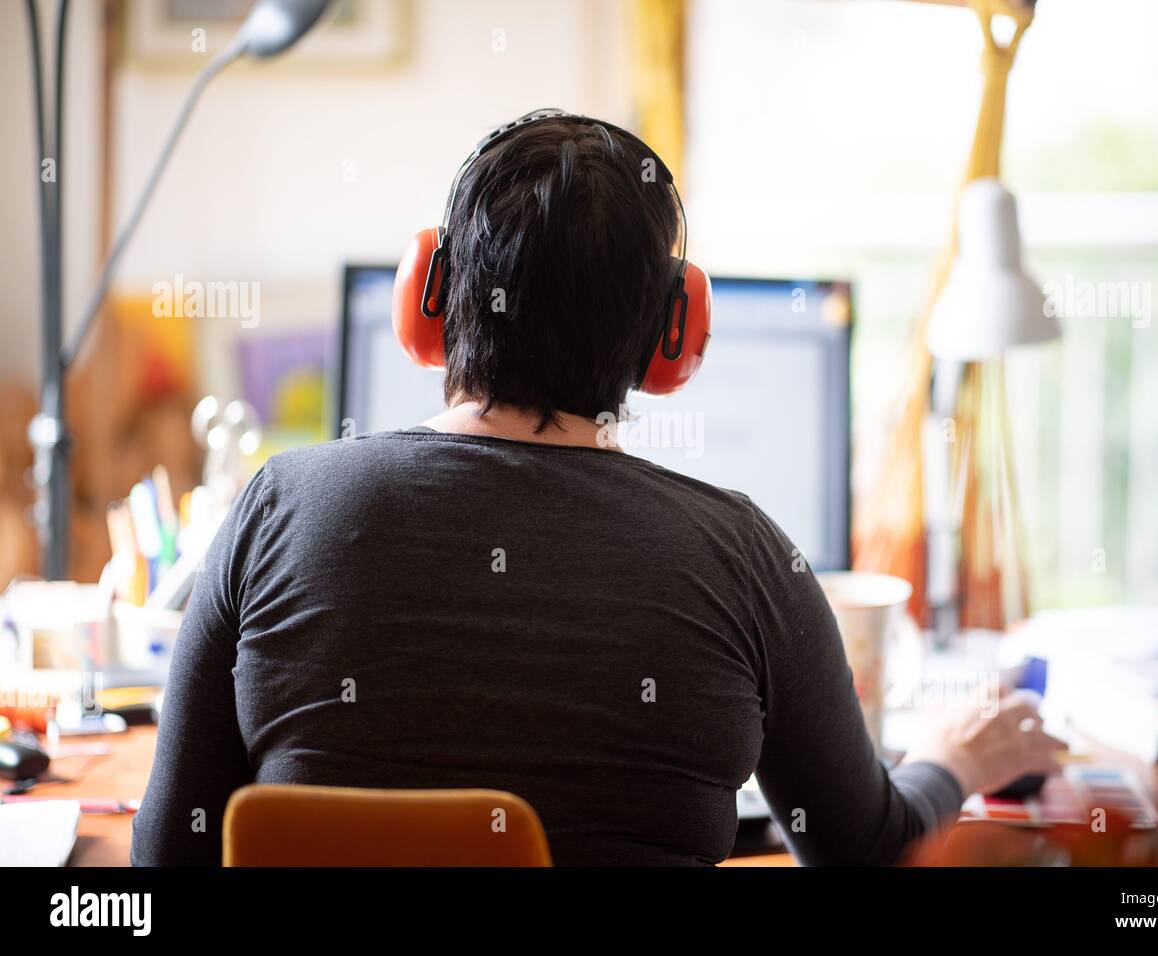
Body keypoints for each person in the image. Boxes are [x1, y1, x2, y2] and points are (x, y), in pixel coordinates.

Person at [132, 112, 1062, 866]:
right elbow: (865, 852)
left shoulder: (277, 507)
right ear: (675, 336)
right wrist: (953, 760)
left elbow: (166, 859)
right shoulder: (746, 560)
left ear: (428, 298)